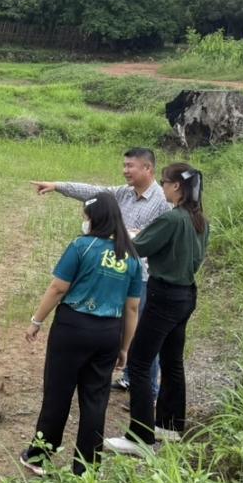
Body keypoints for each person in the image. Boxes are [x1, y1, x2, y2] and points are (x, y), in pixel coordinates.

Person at [19, 192, 143, 476]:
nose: (84, 222)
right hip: (108, 333)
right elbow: (133, 307)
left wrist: (36, 321)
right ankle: (87, 467)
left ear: (95, 218)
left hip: (72, 328)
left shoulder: (81, 247)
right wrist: (124, 347)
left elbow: (58, 288)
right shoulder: (131, 257)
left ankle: (39, 456)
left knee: (58, 392)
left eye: (85, 217)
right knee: (96, 399)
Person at [32, 147, 169, 393]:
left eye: (130, 166)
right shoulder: (124, 194)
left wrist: (123, 233)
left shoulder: (162, 202)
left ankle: (148, 391)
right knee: (118, 326)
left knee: (141, 335)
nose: (125, 170)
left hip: (141, 276)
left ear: (148, 169)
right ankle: (127, 376)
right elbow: (94, 192)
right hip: (113, 268)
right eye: (124, 165)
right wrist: (57, 186)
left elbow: (157, 238)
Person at [106, 163, 209, 456]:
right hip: (186, 295)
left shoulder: (173, 218)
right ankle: (170, 425)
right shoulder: (200, 220)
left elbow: (137, 247)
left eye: (164, 182)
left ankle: (140, 437)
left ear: (177, 186)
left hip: (164, 295)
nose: (161, 187)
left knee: (138, 362)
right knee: (172, 359)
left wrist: (112, 231)